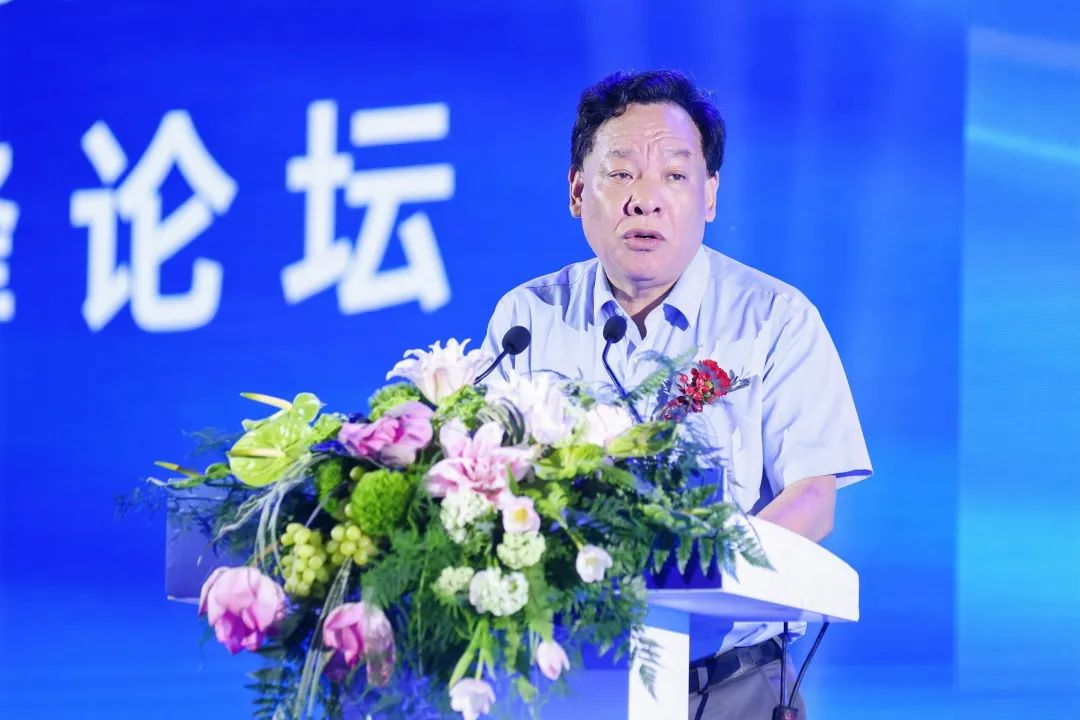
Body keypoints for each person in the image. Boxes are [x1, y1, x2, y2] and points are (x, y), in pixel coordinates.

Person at [482, 70, 872, 720]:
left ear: (709, 195)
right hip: (568, 685)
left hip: (733, 688)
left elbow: (812, 497)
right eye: (621, 173)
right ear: (577, 190)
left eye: (674, 174)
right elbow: (489, 484)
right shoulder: (527, 318)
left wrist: (698, 572)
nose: (646, 199)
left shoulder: (774, 318)